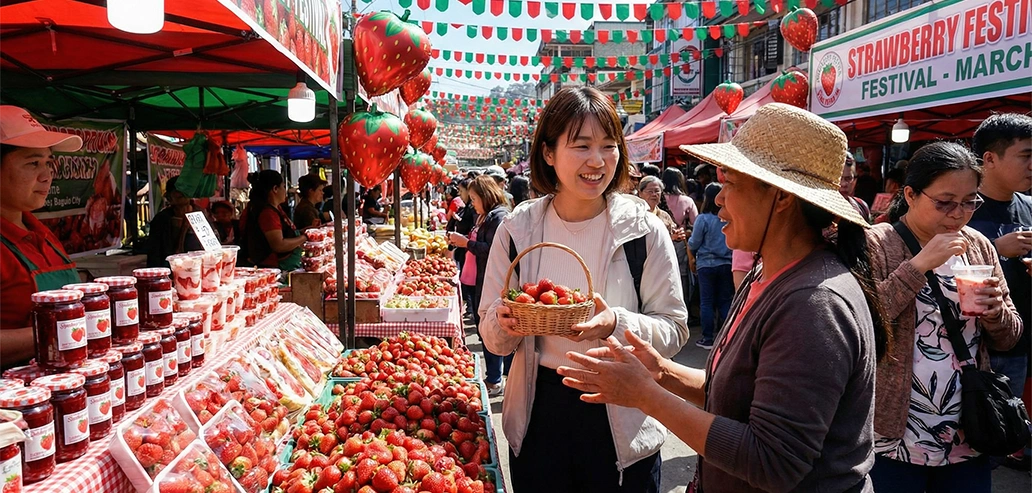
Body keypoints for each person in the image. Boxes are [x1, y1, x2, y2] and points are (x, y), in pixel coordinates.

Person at [557, 103, 890, 493]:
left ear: (781, 197)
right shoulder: (766, 273)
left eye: (730, 183)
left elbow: (772, 461)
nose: (717, 200)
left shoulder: (814, 304)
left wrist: (647, 396)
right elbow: (740, 396)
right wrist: (662, 372)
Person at [479, 87, 689, 493]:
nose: (597, 160)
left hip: (623, 410)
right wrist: (504, 324)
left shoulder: (643, 230)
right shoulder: (518, 230)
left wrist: (616, 324)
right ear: (548, 153)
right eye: (581, 146)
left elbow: (674, 328)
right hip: (540, 410)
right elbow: (492, 335)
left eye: (609, 145)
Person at [867, 141, 1022, 492]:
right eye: (945, 202)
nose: (958, 213)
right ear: (910, 194)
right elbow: (862, 324)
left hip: (967, 427)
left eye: (970, 201)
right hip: (893, 432)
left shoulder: (978, 245)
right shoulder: (877, 243)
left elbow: (1010, 336)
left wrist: (996, 312)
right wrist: (919, 265)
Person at [966, 113, 1032, 470]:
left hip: (1017, 344)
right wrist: (994, 249)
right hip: (967, 348)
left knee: (995, 443)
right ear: (989, 158)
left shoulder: (1029, 207)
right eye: (1026, 155)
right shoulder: (960, 207)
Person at [0, 105, 84, 368]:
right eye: (33, 163)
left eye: (49, 163)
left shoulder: (42, 234)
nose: (47, 176)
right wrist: (68, 328)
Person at [448, 176, 512, 396]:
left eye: (474, 198)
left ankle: (497, 379)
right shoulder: (485, 215)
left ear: (486, 196)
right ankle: (495, 377)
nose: (472, 203)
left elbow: (494, 250)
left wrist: (467, 243)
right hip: (479, 280)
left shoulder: (499, 217)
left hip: (491, 282)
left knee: (494, 329)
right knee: (485, 328)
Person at [687, 183, 733, 350]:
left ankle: (707, 339)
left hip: (706, 264)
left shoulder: (703, 218)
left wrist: (690, 248)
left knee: (706, 302)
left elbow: (694, 242)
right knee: (725, 301)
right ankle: (728, 337)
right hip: (727, 263)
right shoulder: (728, 217)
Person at [240, 170, 305, 270]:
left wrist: (305, 232)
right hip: (273, 268)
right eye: (283, 186)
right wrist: (304, 237)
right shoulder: (268, 213)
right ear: (275, 189)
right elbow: (279, 245)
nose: (285, 191)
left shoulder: (275, 208)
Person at [147, 176, 208, 267]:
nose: (182, 192)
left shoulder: (200, 213)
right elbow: (154, 252)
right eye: (177, 190)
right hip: (171, 267)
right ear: (169, 197)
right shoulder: (161, 219)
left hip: (199, 266)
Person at [452, 178, 477, 316]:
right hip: (465, 249)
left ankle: (471, 308)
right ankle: (470, 307)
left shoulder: (473, 210)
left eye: (461, 191)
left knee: (470, 283)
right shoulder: (467, 207)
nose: (459, 194)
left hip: (469, 251)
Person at [841, 153, 872, 223]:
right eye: (839, 178)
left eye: (848, 178)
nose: (844, 184)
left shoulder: (862, 206)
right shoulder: (819, 209)